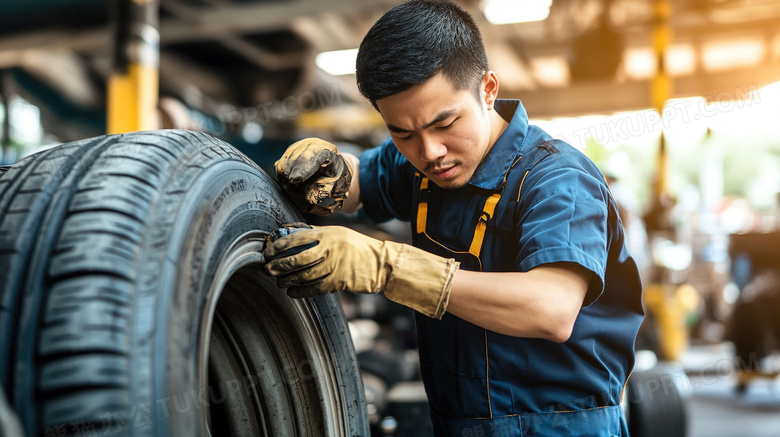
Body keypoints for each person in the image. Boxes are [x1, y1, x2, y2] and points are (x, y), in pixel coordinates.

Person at [263, 1, 644, 435]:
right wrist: (327, 168)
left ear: (488, 89)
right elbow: (358, 183)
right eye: (402, 133)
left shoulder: (557, 180)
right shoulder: (423, 165)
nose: (429, 152)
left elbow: (550, 309)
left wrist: (387, 267)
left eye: (444, 123)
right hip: (457, 423)